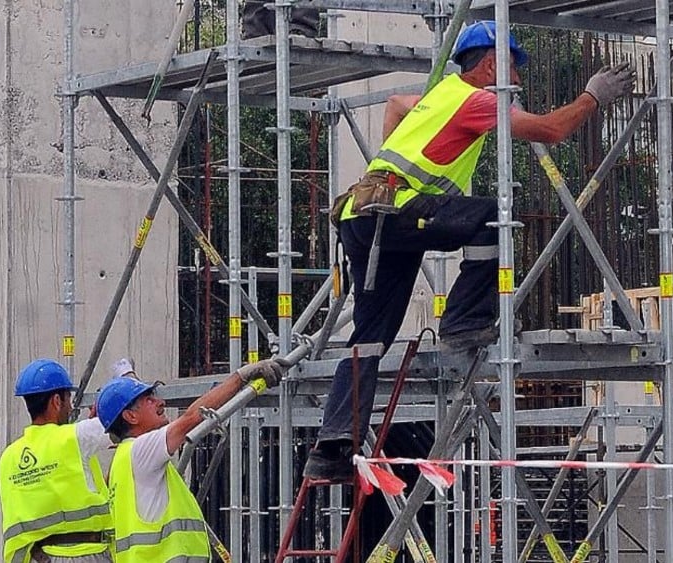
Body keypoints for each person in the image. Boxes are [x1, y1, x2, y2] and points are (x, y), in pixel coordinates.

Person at [304, 20, 636, 481]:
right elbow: (550, 131)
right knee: (493, 218)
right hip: (395, 214)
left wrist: (390, 168)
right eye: (514, 70)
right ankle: (463, 323)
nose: (517, 82)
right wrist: (592, 96)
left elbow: (395, 105)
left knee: (370, 338)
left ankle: (333, 445)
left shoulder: (441, 95)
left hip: (367, 215)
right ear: (489, 65)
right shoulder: (476, 99)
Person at [96, 359, 283, 562]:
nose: (160, 402)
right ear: (130, 416)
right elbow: (193, 416)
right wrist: (242, 376)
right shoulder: (140, 450)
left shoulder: (123, 461)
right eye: (148, 400)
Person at [0, 359, 115, 563]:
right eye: (68, 400)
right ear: (56, 401)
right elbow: (128, 421)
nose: (71, 408)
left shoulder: (9, 455)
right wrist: (126, 380)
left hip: (37, 557)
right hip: (84, 555)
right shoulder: (74, 437)